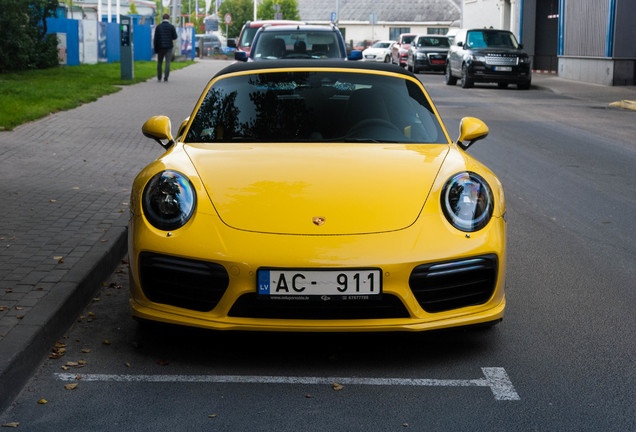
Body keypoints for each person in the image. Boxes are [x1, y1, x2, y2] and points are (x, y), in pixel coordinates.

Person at [154, 14, 177, 82]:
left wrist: (156, 49)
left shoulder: (158, 27)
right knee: (167, 63)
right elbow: (175, 37)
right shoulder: (171, 27)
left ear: (162, 18)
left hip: (160, 47)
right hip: (169, 47)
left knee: (159, 62)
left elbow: (156, 39)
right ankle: (166, 78)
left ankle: (159, 77)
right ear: (169, 18)